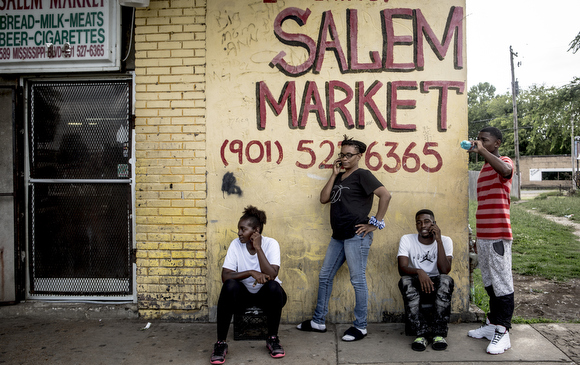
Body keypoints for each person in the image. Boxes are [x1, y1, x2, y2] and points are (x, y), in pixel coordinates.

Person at [297, 135, 391, 341]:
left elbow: (385, 195)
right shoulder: (340, 176)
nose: (345, 158)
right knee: (325, 276)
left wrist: (374, 223)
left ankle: (361, 326)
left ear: (359, 156)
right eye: (342, 155)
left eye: (349, 155)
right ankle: (318, 321)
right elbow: (324, 199)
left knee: (357, 280)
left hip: (356, 236)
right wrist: (333, 175)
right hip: (338, 236)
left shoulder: (363, 175)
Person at [210, 206, 287, 364]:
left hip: (268, 298)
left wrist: (258, 248)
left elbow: (272, 275)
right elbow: (225, 276)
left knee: (274, 287)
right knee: (230, 285)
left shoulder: (271, 244)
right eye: (239, 229)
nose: (239, 233)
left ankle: (272, 339)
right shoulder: (235, 245)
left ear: (256, 230)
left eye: (242, 229)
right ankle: (220, 344)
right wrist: (251, 272)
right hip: (242, 297)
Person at [465, 126, 514, 355]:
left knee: (502, 285)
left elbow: (505, 171)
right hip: (484, 236)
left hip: (498, 235)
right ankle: (493, 324)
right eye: (479, 140)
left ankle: (503, 333)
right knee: (489, 283)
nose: (479, 143)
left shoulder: (502, 161)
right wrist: (476, 237)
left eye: (485, 140)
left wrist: (482, 151)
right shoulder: (485, 169)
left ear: (497, 143)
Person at [397, 209, 454, 351]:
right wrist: (419, 271)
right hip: (417, 280)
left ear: (434, 224)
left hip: (437, 281)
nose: (423, 225)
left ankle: (438, 334)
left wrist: (439, 240)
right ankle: (420, 334)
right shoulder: (407, 239)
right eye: (419, 222)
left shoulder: (446, 240)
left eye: (427, 221)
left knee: (446, 280)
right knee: (405, 281)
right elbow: (402, 268)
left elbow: (445, 270)